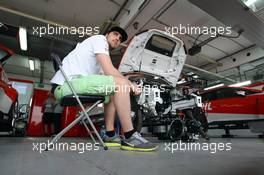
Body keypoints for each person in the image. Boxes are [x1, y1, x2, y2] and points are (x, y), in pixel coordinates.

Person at [50, 26, 158, 151]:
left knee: (112, 91)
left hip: (71, 84)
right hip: (66, 85)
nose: (117, 38)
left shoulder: (98, 57)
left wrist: (124, 81)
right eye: (115, 34)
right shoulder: (99, 39)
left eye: (120, 38)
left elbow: (107, 75)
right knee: (121, 84)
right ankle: (130, 136)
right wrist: (130, 85)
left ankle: (110, 134)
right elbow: (110, 70)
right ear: (107, 34)